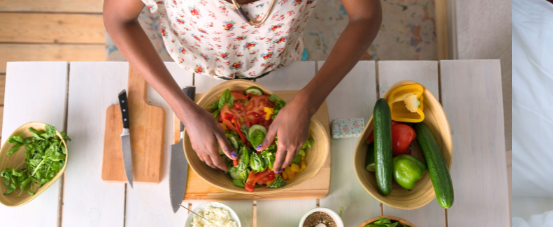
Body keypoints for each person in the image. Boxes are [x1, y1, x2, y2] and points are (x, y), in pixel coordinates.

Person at [104, 0, 381, 173]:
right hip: (195, 67)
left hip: (281, 60)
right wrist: (184, 111)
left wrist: (308, 102)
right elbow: (119, 18)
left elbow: (366, 16)